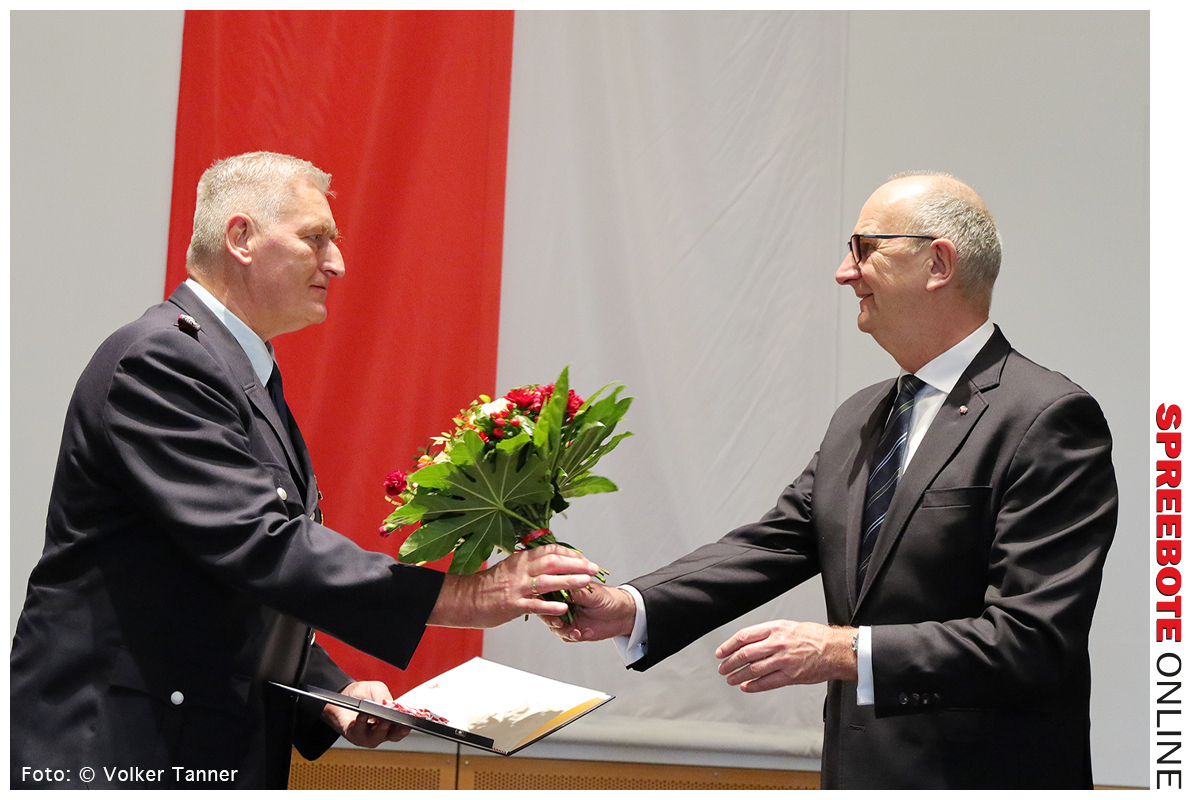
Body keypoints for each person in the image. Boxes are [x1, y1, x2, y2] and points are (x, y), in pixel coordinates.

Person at [9, 151, 599, 790]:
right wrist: (463, 596)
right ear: (241, 238)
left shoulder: (234, 367)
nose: (337, 262)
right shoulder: (161, 359)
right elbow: (259, 543)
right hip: (116, 749)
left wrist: (329, 693)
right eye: (315, 238)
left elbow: (223, 585)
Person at [546, 172, 1118, 789]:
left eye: (864, 249)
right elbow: (774, 544)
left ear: (938, 263)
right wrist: (629, 606)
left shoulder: (1045, 417)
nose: (845, 273)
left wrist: (840, 650)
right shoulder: (861, 415)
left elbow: (1032, 639)